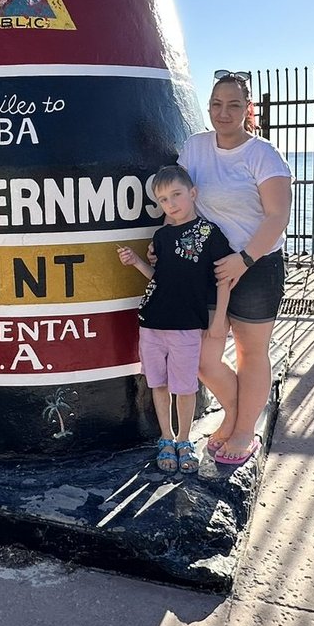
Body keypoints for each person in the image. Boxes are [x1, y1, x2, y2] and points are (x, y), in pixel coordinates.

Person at [179, 69, 292, 466]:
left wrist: (243, 260)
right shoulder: (194, 148)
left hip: (256, 266)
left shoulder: (263, 153)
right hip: (209, 270)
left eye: (233, 105)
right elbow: (182, 203)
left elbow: (278, 216)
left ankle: (245, 431)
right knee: (201, 357)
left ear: (248, 109)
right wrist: (167, 245)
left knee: (251, 353)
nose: (223, 113)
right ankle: (232, 414)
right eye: (216, 104)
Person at [118, 165, 232, 473]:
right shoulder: (162, 235)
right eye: (163, 199)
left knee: (185, 386)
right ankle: (165, 437)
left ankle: (184, 440)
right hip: (152, 321)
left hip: (186, 326)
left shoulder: (209, 233)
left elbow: (224, 278)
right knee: (159, 383)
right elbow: (160, 277)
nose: (171, 204)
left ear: (193, 193)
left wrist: (220, 318)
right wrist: (137, 262)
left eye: (176, 195)